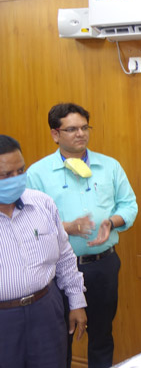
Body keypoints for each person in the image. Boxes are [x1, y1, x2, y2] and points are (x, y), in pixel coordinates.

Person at [26, 103, 138, 368]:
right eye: (72, 129)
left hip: (102, 265)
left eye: (84, 127)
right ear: (55, 134)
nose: (80, 134)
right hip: (58, 270)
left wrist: (111, 222)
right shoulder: (37, 174)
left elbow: (129, 205)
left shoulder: (109, 166)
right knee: (60, 338)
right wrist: (66, 227)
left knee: (102, 335)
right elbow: (30, 224)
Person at [0, 135, 87, 368]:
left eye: (20, 171)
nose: (15, 179)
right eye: (6, 175)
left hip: (46, 310)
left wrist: (76, 302)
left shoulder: (42, 204)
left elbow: (65, 257)